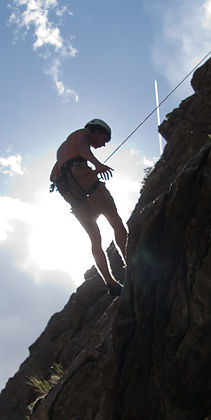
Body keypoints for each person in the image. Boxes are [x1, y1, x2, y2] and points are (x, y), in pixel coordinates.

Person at [50, 119, 128, 296]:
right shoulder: (82, 134)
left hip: (70, 192)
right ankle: (130, 263)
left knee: (95, 238)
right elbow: (84, 148)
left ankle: (110, 283)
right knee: (115, 222)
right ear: (97, 131)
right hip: (82, 177)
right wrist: (97, 165)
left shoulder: (62, 150)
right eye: (104, 140)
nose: (103, 145)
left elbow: (52, 176)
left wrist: (76, 177)